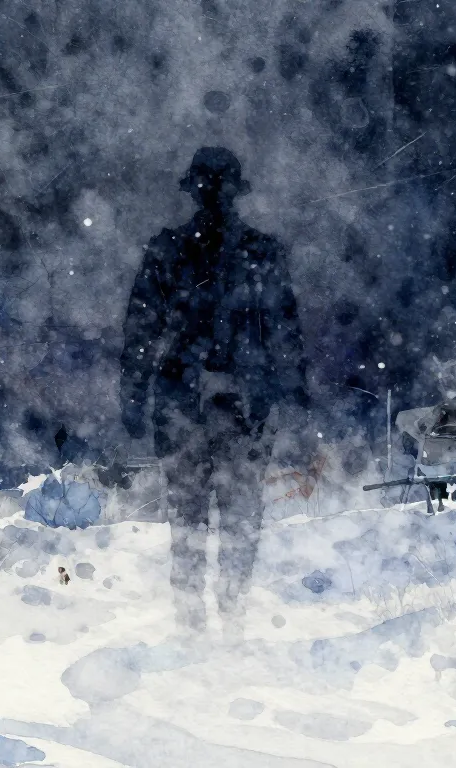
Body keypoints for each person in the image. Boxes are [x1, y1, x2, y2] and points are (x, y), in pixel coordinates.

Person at [120, 146, 311, 641]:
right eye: (210, 188)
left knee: (219, 521)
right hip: (205, 404)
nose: (212, 199)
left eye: (215, 189)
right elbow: (141, 331)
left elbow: (283, 330)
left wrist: (135, 396)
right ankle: (205, 625)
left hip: (227, 405)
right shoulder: (229, 252)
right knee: (209, 520)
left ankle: (223, 624)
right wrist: (134, 395)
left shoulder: (250, 253)